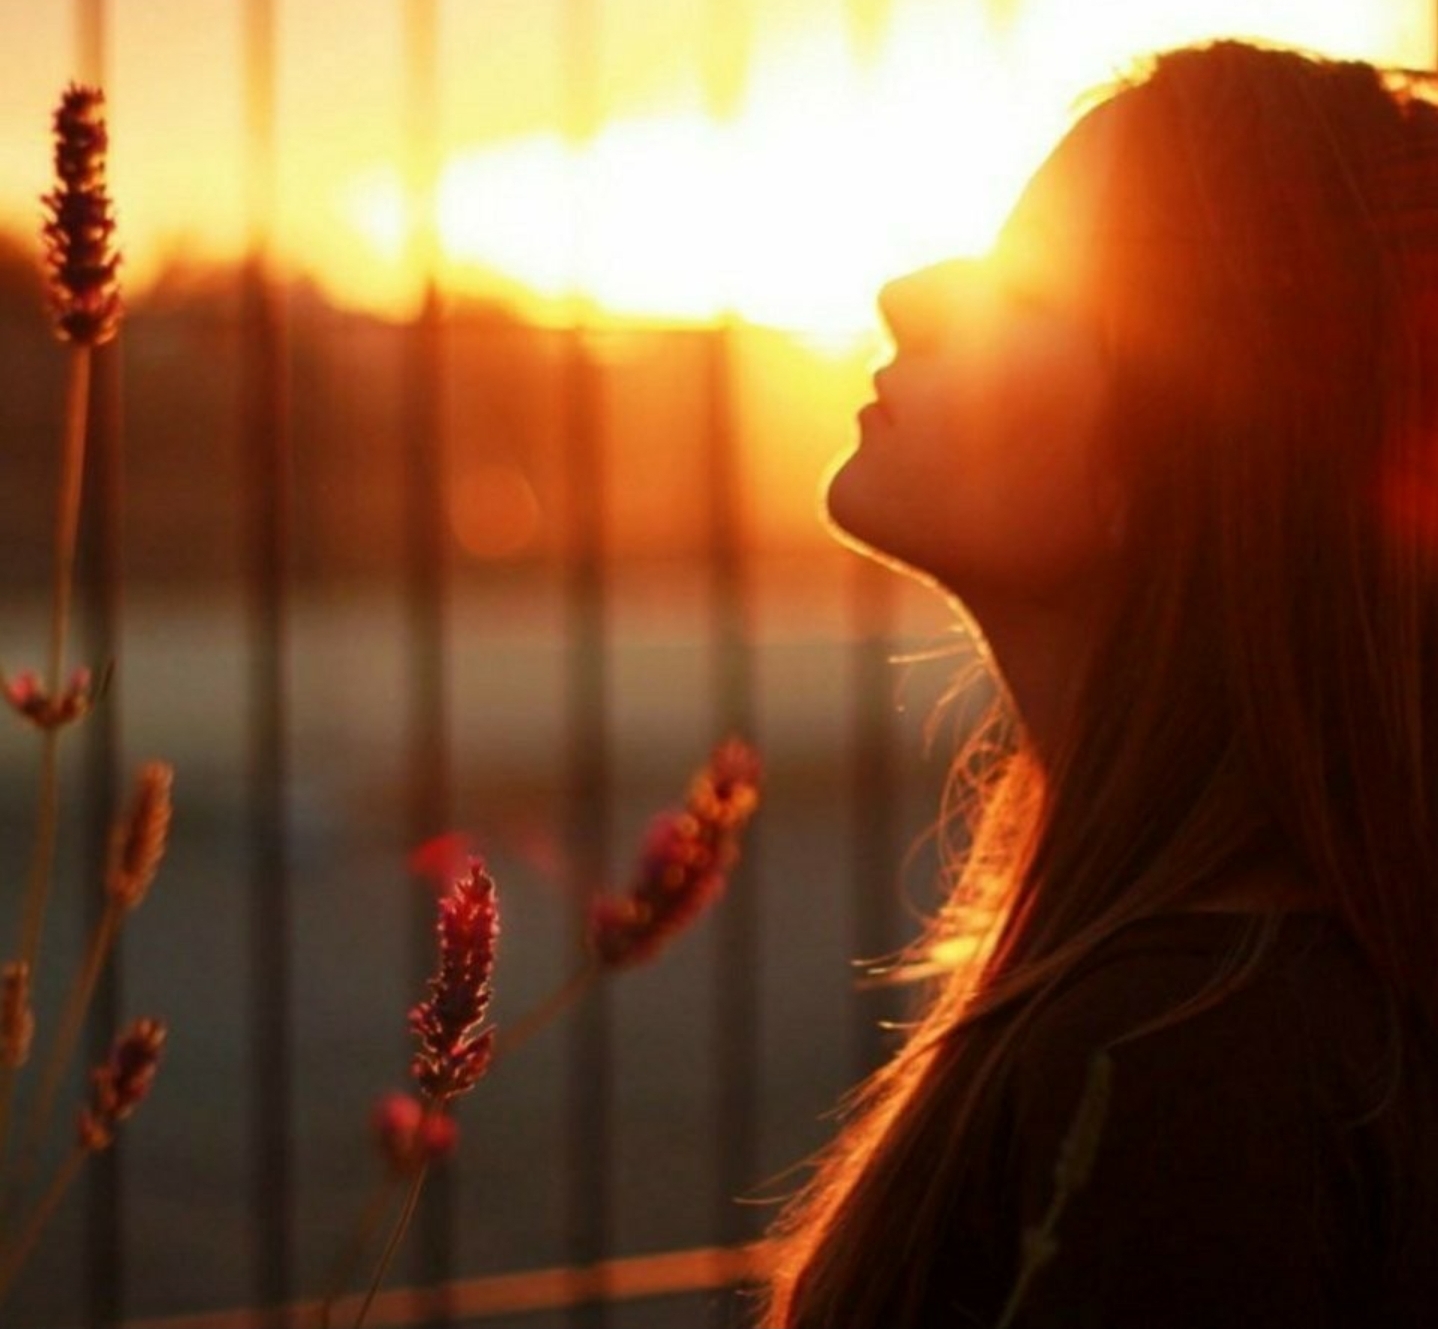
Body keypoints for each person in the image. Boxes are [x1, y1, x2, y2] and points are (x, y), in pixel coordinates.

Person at [759, 39, 1438, 1328]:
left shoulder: (1188, 1063)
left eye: (1032, 290)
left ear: (1191, 455)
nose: (908, 292)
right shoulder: (1226, 1003)